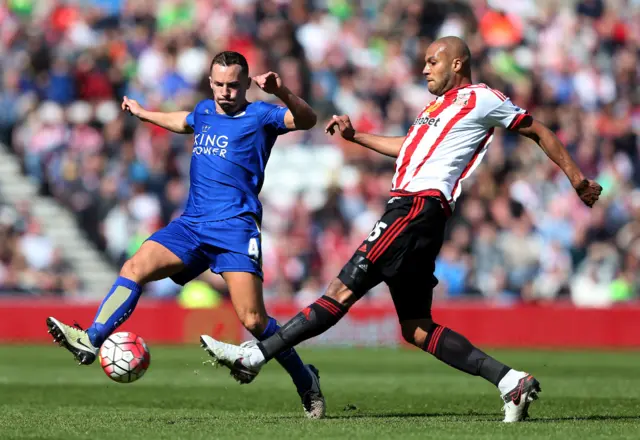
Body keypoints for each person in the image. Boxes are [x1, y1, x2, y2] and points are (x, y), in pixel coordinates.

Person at [198, 38, 603, 423]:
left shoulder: (482, 98)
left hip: (415, 208)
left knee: (340, 292)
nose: (424, 68)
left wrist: (577, 179)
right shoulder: (434, 109)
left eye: (433, 61)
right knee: (416, 328)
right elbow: (407, 146)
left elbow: (537, 130)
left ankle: (254, 357)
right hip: (419, 215)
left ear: (457, 63)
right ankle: (511, 382)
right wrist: (357, 137)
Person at [46, 51, 326, 419]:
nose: (226, 91)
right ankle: (91, 339)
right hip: (191, 225)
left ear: (246, 84)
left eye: (234, 85)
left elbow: (307, 120)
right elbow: (183, 121)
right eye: (220, 84)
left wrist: (283, 92)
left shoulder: (261, 115)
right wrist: (144, 113)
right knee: (135, 266)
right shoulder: (205, 110)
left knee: (254, 321)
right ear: (211, 83)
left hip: (235, 228)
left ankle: (306, 382)